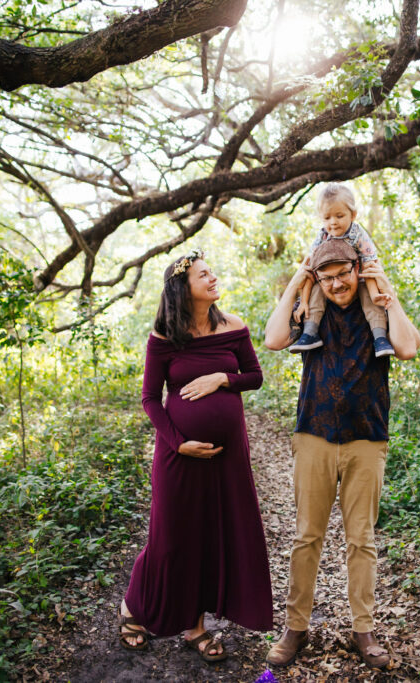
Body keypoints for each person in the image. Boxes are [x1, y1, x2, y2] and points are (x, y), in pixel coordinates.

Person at [262, 238, 420, 669]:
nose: (336, 285)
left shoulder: (379, 310)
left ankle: (363, 630)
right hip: (313, 434)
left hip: (367, 438)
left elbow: (408, 348)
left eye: (343, 274)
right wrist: (299, 278)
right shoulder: (309, 308)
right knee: (306, 537)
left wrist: (389, 292)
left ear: (357, 269)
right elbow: (273, 339)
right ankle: (296, 628)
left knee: (361, 541)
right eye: (326, 277)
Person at [118, 248, 273, 662]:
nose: (213, 279)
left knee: (211, 536)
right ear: (183, 289)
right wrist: (177, 442)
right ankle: (133, 605)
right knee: (171, 540)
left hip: (227, 458)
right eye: (204, 275)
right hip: (178, 457)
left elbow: (254, 377)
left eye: (212, 272)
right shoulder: (165, 337)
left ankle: (195, 626)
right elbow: (150, 399)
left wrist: (222, 378)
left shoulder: (234, 326)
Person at [289, 183, 394, 358]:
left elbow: (370, 265)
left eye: (339, 216)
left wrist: (376, 293)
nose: (333, 222)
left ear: (353, 215)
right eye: (327, 218)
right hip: (328, 279)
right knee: (316, 290)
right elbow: (309, 271)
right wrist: (304, 301)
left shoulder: (358, 235)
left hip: (358, 277)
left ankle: (380, 337)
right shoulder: (322, 236)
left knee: (370, 299)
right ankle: (310, 332)